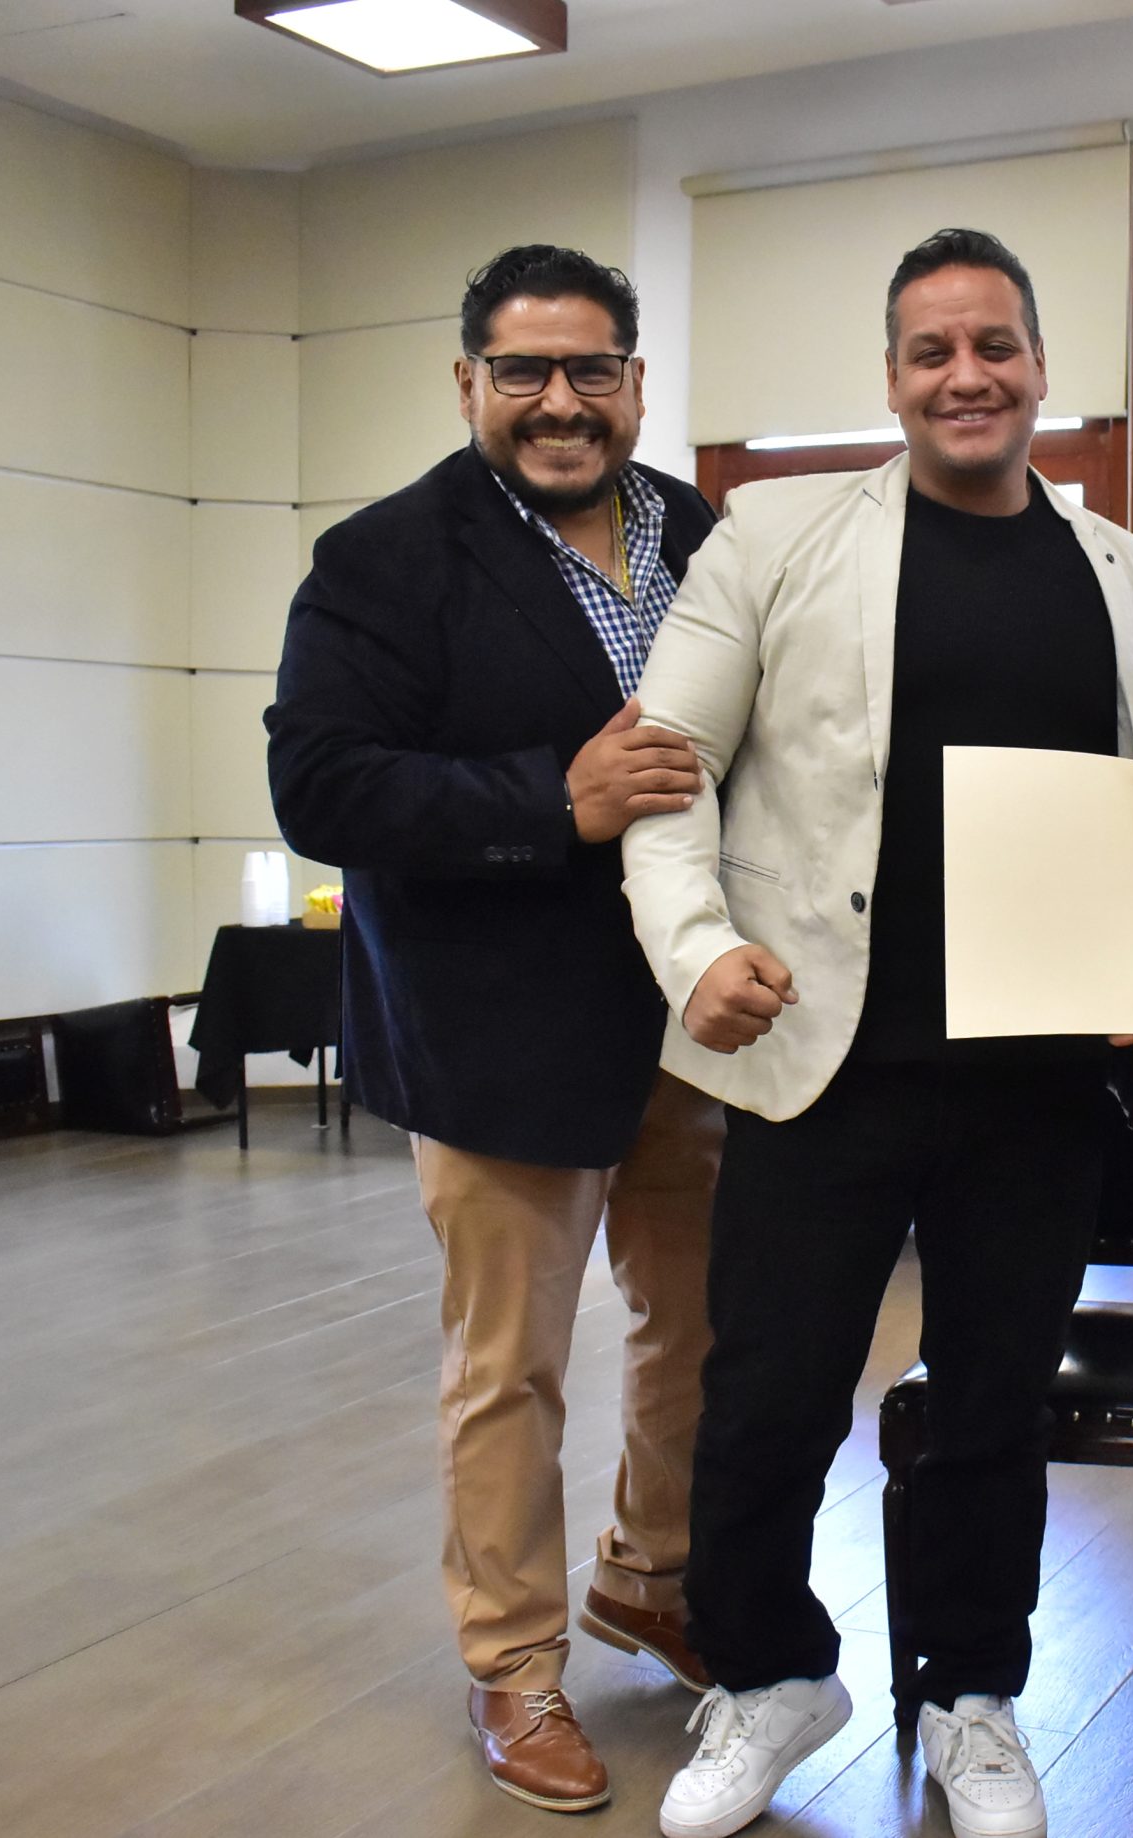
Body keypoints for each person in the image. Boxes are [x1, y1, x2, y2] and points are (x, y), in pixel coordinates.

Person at [621, 228, 1133, 1838]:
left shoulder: (1129, 576)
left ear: (1041, 366)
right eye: (932, 350)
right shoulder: (774, 537)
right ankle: (770, 1674)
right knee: (767, 1401)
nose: (967, 375)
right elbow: (665, 772)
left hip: (1042, 1081)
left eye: (995, 344)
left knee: (995, 1406)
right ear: (890, 376)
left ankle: (972, 1694)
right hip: (825, 1062)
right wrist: (695, 949)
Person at [267, 244, 727, 1815]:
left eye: (591, 368)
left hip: (698, 1017)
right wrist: (554, 798)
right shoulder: (383, 559)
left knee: (701, 1326)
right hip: (498, 1031)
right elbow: (321, 784)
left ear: (636, 383)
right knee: (511, 1365)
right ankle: (514, 1663)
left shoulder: (703, 534)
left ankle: (653, 1574)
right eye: (523, 370)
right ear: (469, 380)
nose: (559, 401)